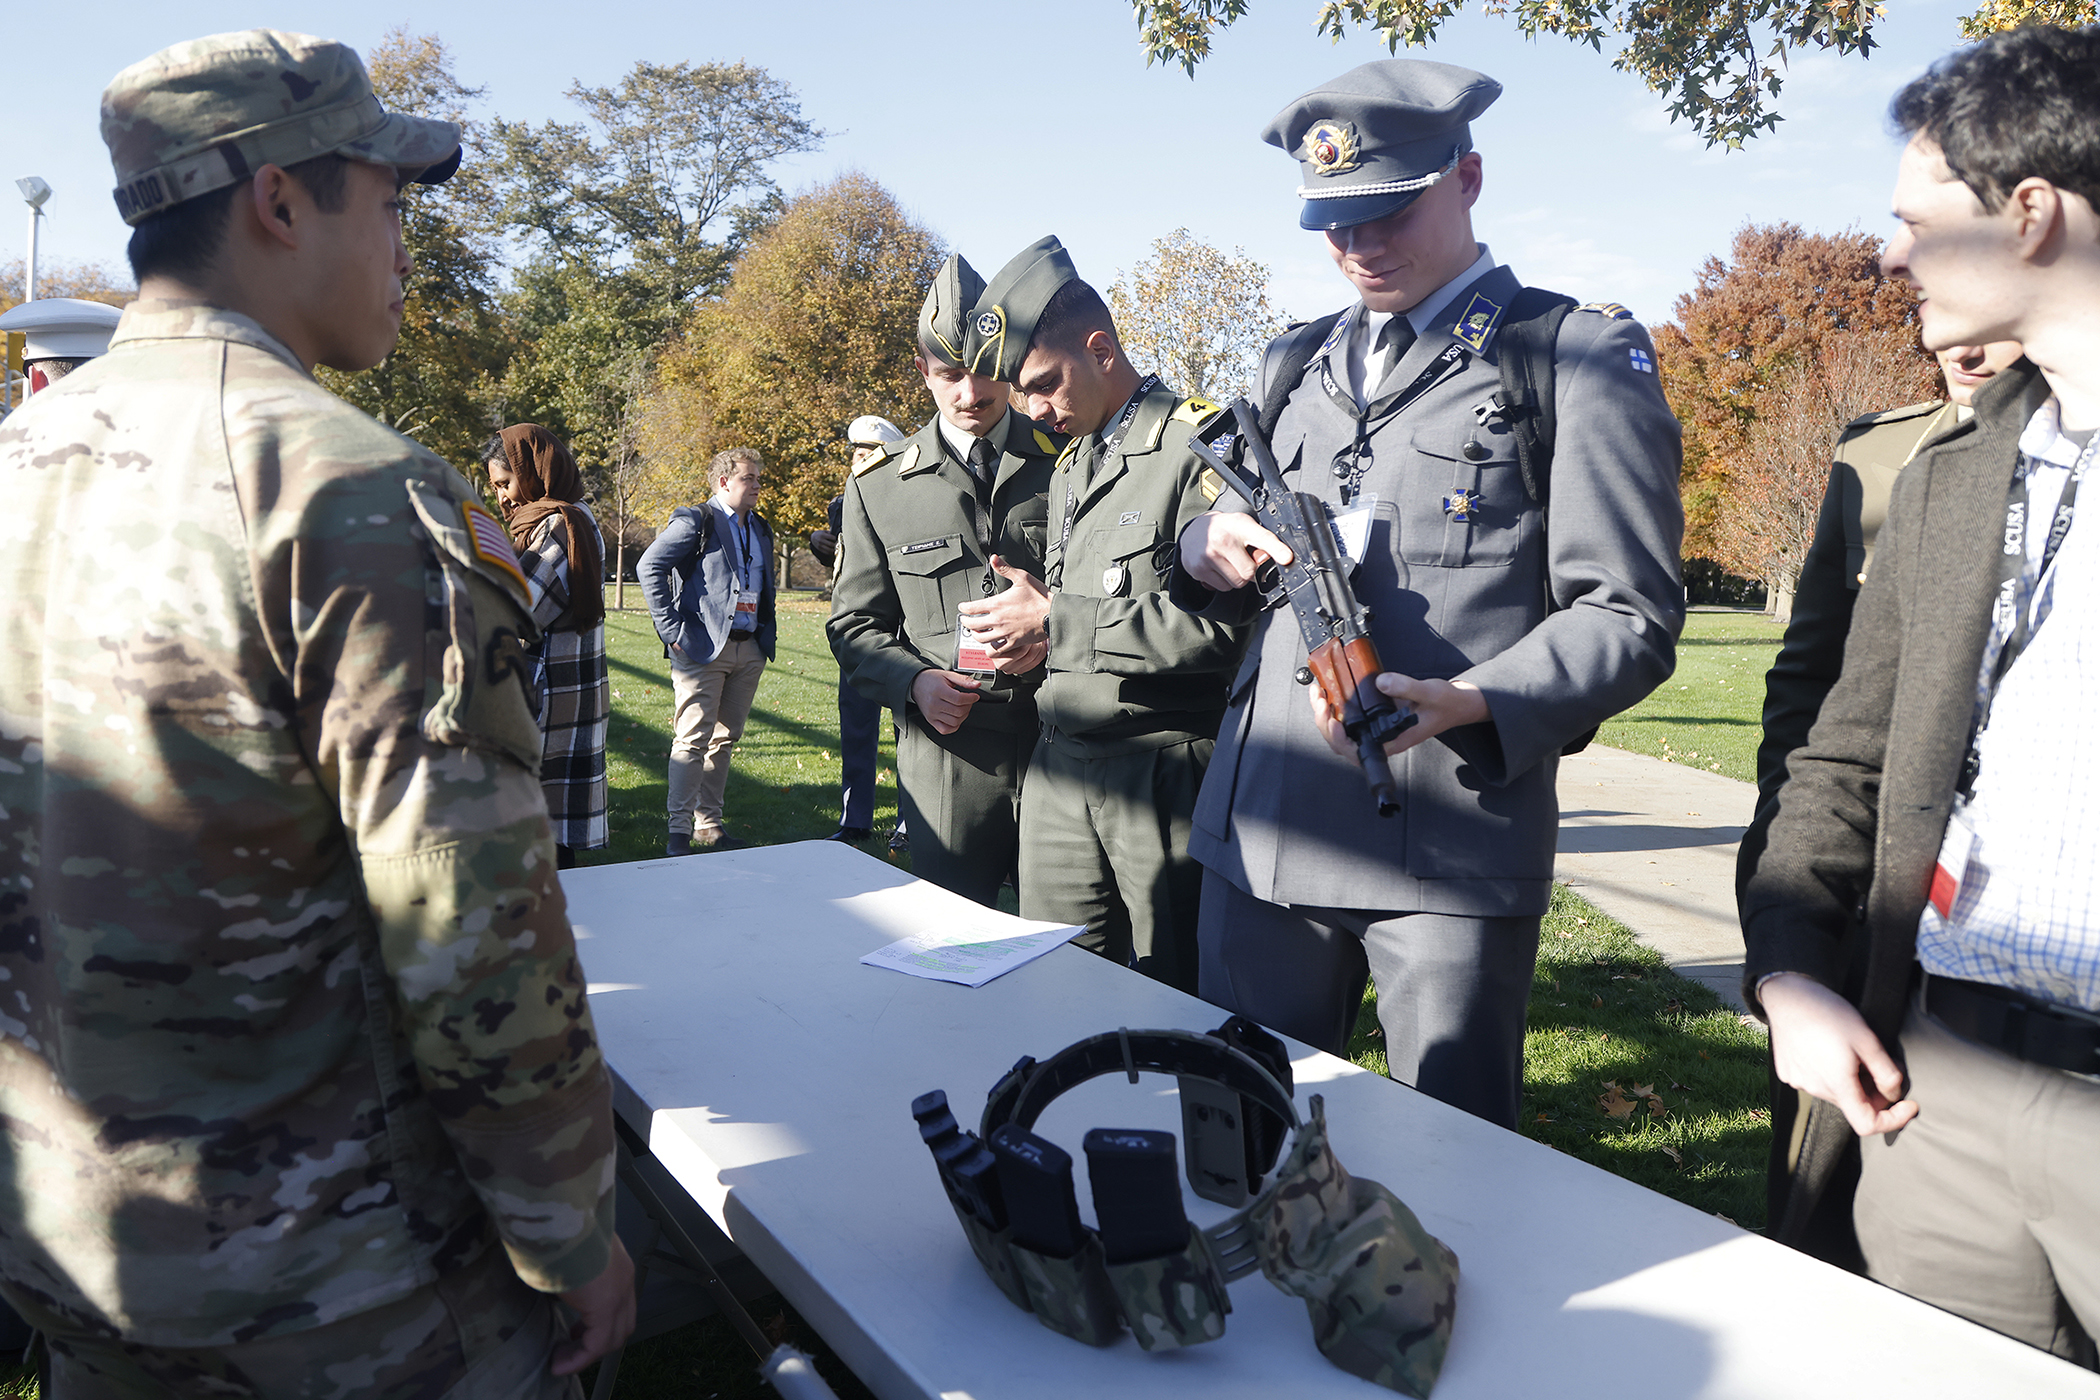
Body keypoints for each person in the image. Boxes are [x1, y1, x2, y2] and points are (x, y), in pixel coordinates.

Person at [0, 29, 631, 1395]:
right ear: (279, 200)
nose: (405, 244)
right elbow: (470, 933)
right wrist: (570, 1231)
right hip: (344, 1300)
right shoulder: (352, 492)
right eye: (390, 202)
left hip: (74, 1257)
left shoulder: (14, 466)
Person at [1171, 58, 1684, 1129]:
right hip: (1262, 833)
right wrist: (1201, 544)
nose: (1359, 247)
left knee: (1449, 1173)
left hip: (1446, 848)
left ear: (1469, 179)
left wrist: (1479, 698)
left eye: (1387, 211)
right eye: (1334, 223)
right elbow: (1216, 539)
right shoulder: (1290, 364)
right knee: (1238, 1145)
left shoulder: (1569, 355)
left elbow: (1627, 610)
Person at [1745, 26, 2100, 1363]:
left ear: (2030, 215)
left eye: (1913, 223)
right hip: (1933, 1101)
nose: (1887, 255)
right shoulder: (1951, 485)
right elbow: (1842, 761)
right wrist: (1789, 972)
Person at [1735, 339, 2022, 1263]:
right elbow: (1815, 678)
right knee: (1818, 1196)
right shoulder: (1880, 455)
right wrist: (1789, 849)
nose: (1960, 344)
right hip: (1858, 882)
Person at [957, 235, 1248, 992]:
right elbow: (1075, 612)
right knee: (1053, 987)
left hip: (1160, 769)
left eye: (1048, 384)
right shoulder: (1074, 462)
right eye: (1025, 395)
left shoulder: (1198, 446)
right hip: (1059, 766)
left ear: (1101, 349)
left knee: (1176, 996)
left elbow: (1229, 629)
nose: (1039, 411)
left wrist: (1057, 621)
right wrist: (1033, 642)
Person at [827, 254, 1063, 905]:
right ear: (921, 370)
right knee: (954, 937)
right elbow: (852, 626)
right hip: (949, 755)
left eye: (986, 371)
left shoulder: (1065, 461)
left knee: (1070, 944)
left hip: (1061, 743)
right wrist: (914, 682)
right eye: (950, 374)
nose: (971, 393)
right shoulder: (877, 488)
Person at [638, 447, 777, 856]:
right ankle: (677, 834)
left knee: (724, 739)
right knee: (692, 741)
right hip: (701, 649)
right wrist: (670, 630)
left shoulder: (760, 527)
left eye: (756, 478)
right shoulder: (696, 521)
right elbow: (649, 567)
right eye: (748, 478)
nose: (756, 485)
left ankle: (709, 825)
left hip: (749, 648)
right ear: (723, 482)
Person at [487, 423, 611, 871]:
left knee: (541, 828)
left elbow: (520, 609)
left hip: (554, 694)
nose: (501, 497)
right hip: (562, 688)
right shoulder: (559, 519)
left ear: (534, 470)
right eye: (495, 487)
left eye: (506, 482)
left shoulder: (560, 525)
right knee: (548, 824)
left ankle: (554, 929)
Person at [818, 414, 906, 844]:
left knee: (909, 731)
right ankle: (855, 820)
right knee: (856, 727)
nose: (859, 459)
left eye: (868, 452)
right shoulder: (843, 503)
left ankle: (910, 823)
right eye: (855, 452)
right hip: (859, 633)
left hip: (905, 634)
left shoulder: (910, 494)